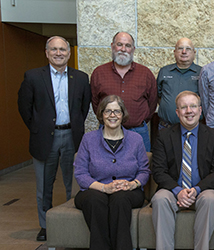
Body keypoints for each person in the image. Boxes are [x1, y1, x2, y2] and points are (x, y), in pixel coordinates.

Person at [17, 36, 91, 241]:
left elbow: (83, 108)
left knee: (74, 181)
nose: (58, 53)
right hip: (44, 138)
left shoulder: (82, 77)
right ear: (47, 52)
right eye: (54, 49)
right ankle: (45, 225)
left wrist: (73, 125)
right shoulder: (33, 77)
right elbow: (24, 107)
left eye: (62, 49)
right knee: (44, 185)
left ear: (69, 53)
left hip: (72, 136)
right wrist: (37, 128)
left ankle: (71, 221)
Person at [151, 91, 214, 250]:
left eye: (193, 106)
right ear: (177, 113)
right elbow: (158, 170)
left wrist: (197, 189)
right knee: (159, 198)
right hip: (173, 192)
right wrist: (178, 191)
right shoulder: (164, 136)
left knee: (210, 198)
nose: (189, 111)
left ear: (200, 110)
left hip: (203, 191)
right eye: (183, 107)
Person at [74, 95, 150, 250]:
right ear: (101, 114)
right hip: (95, 190)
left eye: (117, 111)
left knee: (120, 199)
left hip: (128, 191)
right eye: (108, 111)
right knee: (94, 200)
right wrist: (104, 188)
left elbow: (144, 171)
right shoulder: (88, 139)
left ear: (123, 115)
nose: (112, 115)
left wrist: (132, 184)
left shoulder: (135, 139)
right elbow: (81, 173)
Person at [90, 31, 157, 152]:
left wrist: (138, 120)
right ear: (112, 46)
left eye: (128, 45)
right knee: (106, 167)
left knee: (141, 167)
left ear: (133, 49)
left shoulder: (145, 73)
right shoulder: (99, 73)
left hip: (138, 131)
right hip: (107, 131)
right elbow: (95, 103)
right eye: (119, 44)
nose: (123, 49)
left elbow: (152, 103)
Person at [157, 37, 202, 130]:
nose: (184, 52)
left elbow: (206, 98)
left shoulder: (202, 72)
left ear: (194, 53)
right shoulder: (164, 71)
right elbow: (158, 96)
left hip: (193, 128)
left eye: (188, 48)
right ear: (174, 52)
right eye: (180, 48)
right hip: (166, 127)